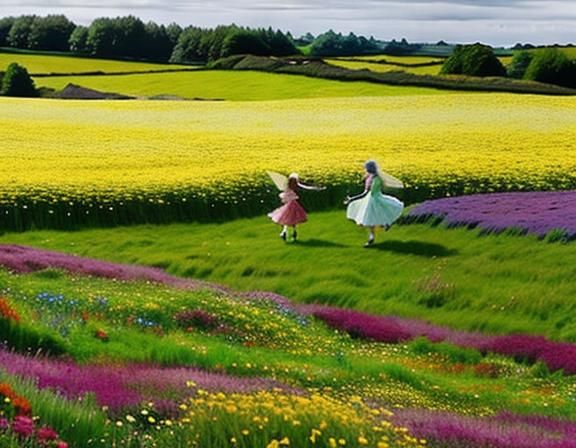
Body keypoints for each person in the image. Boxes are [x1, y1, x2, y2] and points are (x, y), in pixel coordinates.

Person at [344, 160, 404, 247]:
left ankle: (377, 232)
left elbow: (366, 193)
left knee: (371, 219)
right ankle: (381, 228)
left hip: (373, 199)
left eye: (365, 168)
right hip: (374, 198)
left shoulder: (374, 179)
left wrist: (352, 199)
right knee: (373, 218)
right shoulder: (374, 177)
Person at [268, 173, 324, 241]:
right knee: (293, 220)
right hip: (293, 205)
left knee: (286, 220)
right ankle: (292, 231)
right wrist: (317, 188)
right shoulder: (295, 186)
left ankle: (284, 232)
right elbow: (306, 187)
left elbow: (283, 198)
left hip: (288, 205)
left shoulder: (286, 186)